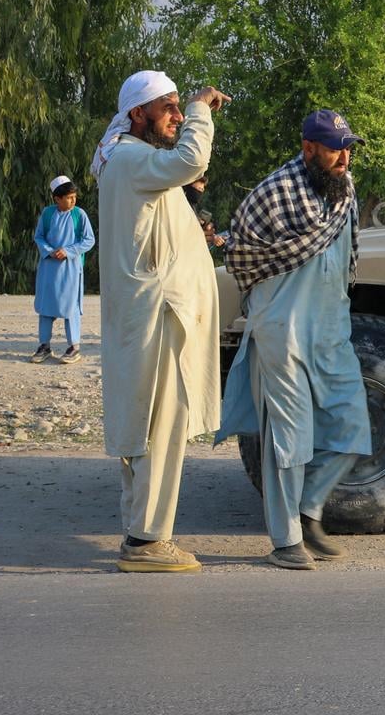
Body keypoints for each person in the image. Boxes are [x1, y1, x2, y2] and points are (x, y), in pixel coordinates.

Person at [217, 109, 370, 570]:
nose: (344, 156)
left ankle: (308, 510)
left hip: (330, 332)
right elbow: (244, 258)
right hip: (282, 333)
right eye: (334, 147)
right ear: (308, 149)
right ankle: (285, 541)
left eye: (348, 147)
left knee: (352, 427)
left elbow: (347, 259)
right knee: (289, 440)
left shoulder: (345, 191)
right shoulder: (273, 194)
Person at [93, 70, 231, 573]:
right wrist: (199, 108)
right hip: (159, 318)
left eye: (179, 107)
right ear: (137, 114)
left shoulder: (126, 157)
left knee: (146, 426)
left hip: (149, 318)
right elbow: (192, 157)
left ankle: (140, 532)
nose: (176, 115)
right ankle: (149, 543)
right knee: (161, 428)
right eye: (167, 107)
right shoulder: (132, 159)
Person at [31, 175, 95, 364]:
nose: (73, 200)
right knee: (45, 306)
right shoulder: (48, 214)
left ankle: (74, 347)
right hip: (49, 268)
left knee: (71, 308)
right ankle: (44, 346)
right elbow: (39, 237)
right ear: (57, 199)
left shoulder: (79, 214)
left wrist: (68, 251)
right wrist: (49, 251)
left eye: (74, 196)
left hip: (71, 268)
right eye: (69, 197)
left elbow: (89, 240)